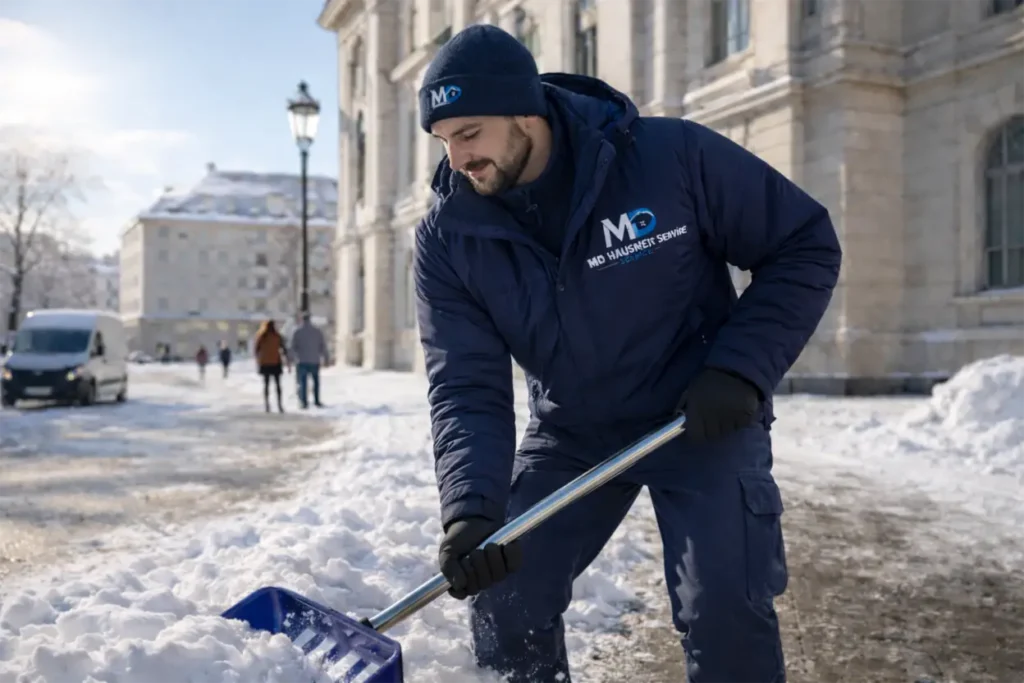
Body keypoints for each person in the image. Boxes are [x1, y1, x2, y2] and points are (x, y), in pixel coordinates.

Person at [413, 25, 842, 683]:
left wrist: (740, 368)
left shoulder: (667, 158)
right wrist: (471, 508)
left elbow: (803, 243)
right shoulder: (450, 236)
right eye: (444, 139)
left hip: (699, 416)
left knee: (723, 606)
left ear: (526, 111)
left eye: (469, 133)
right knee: (506, 585)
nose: (457, 157)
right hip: (573, 431)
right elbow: (465, 383)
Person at [289, 312, 329, 409]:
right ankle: (317, 400)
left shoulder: (297, 331)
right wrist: (326, 357)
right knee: (316, 382)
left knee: (303, 382)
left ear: (302, 319)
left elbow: (293, 347)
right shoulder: (317, 331)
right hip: (314, 360)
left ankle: (304, 402)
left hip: (302, 360)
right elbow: (322, 346)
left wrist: (291, 358)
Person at [254, 319, 289, 413]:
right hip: (276, 362)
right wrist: (287, 361)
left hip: (265, 363)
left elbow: (256, 350)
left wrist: (258, 360)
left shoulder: (261, 336)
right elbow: (284, 349)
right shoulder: (277, 336)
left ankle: (267, 405)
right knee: (278, 385)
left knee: (266, 384)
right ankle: (279, 404)